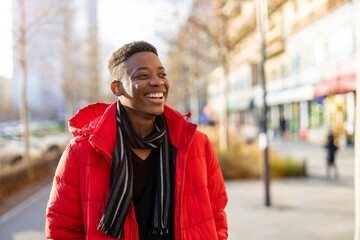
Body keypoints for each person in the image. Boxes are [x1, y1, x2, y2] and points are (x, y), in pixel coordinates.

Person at [45, 41, 228, 240]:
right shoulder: (81, 152)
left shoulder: (196, 144)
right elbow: (62, 230)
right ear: (117, 88)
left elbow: (216, 214)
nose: (157, 81)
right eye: (143, 75)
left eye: (162, 74)